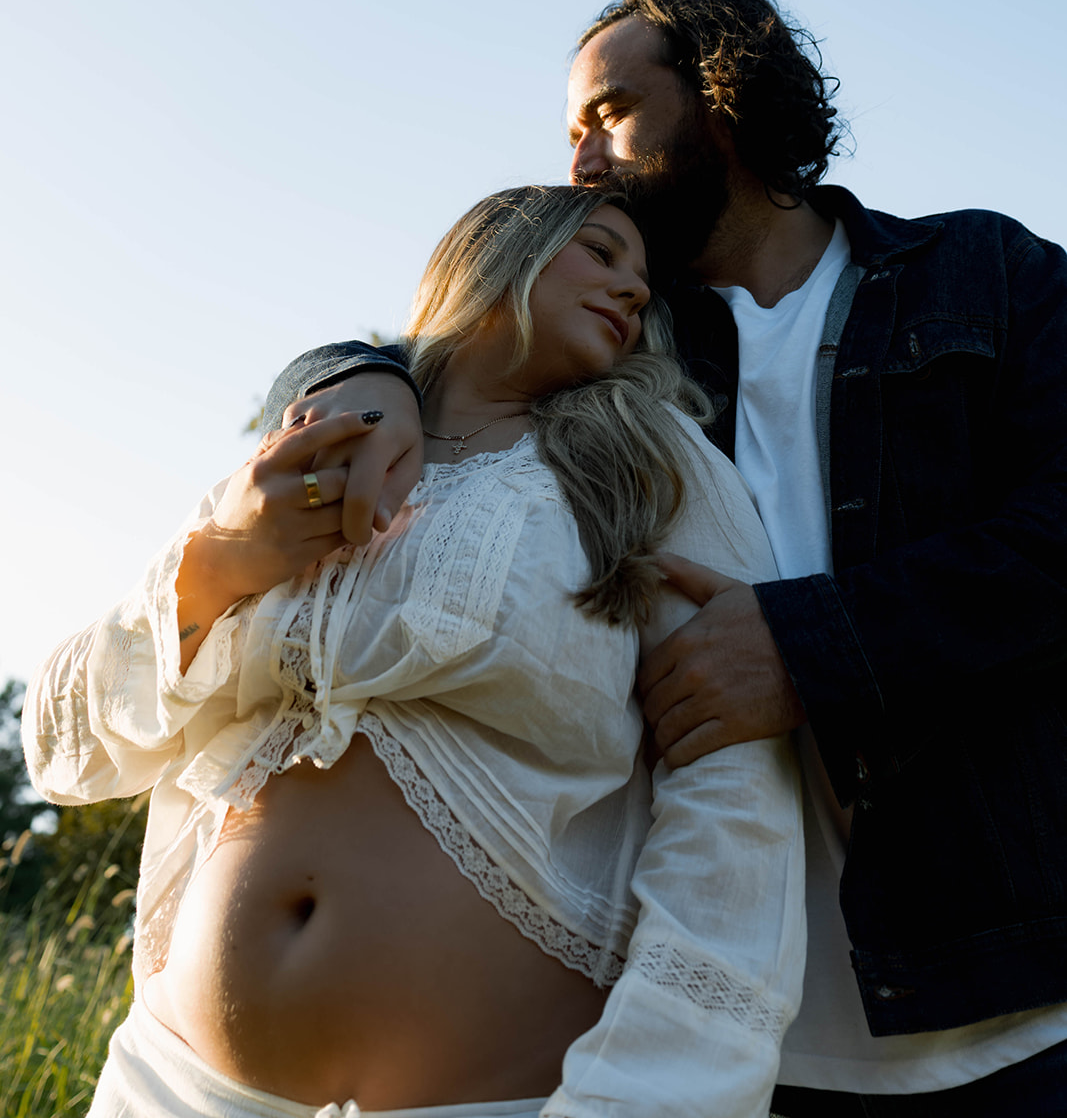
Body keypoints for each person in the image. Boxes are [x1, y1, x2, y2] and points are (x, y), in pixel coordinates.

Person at [278, 0, 1067, 1113]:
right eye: (569, 135)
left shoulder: (985, 275)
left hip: (1009, 1011)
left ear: (724, 97)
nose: (580, 164)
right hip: (707, 1035)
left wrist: (810, 649)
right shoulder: (608, 336)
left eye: (608, 115)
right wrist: (359, 381)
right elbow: (445, 338)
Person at [24, 184, 805, 1118]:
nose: (633, 291)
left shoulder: (653, 461)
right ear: (493, 250)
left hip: (499, 1096)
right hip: (175, 1086)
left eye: (643, 282)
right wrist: (218, 566)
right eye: (600, 253)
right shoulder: (310, 445)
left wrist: (651, 1093)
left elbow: (734, 781)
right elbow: (64, 750)